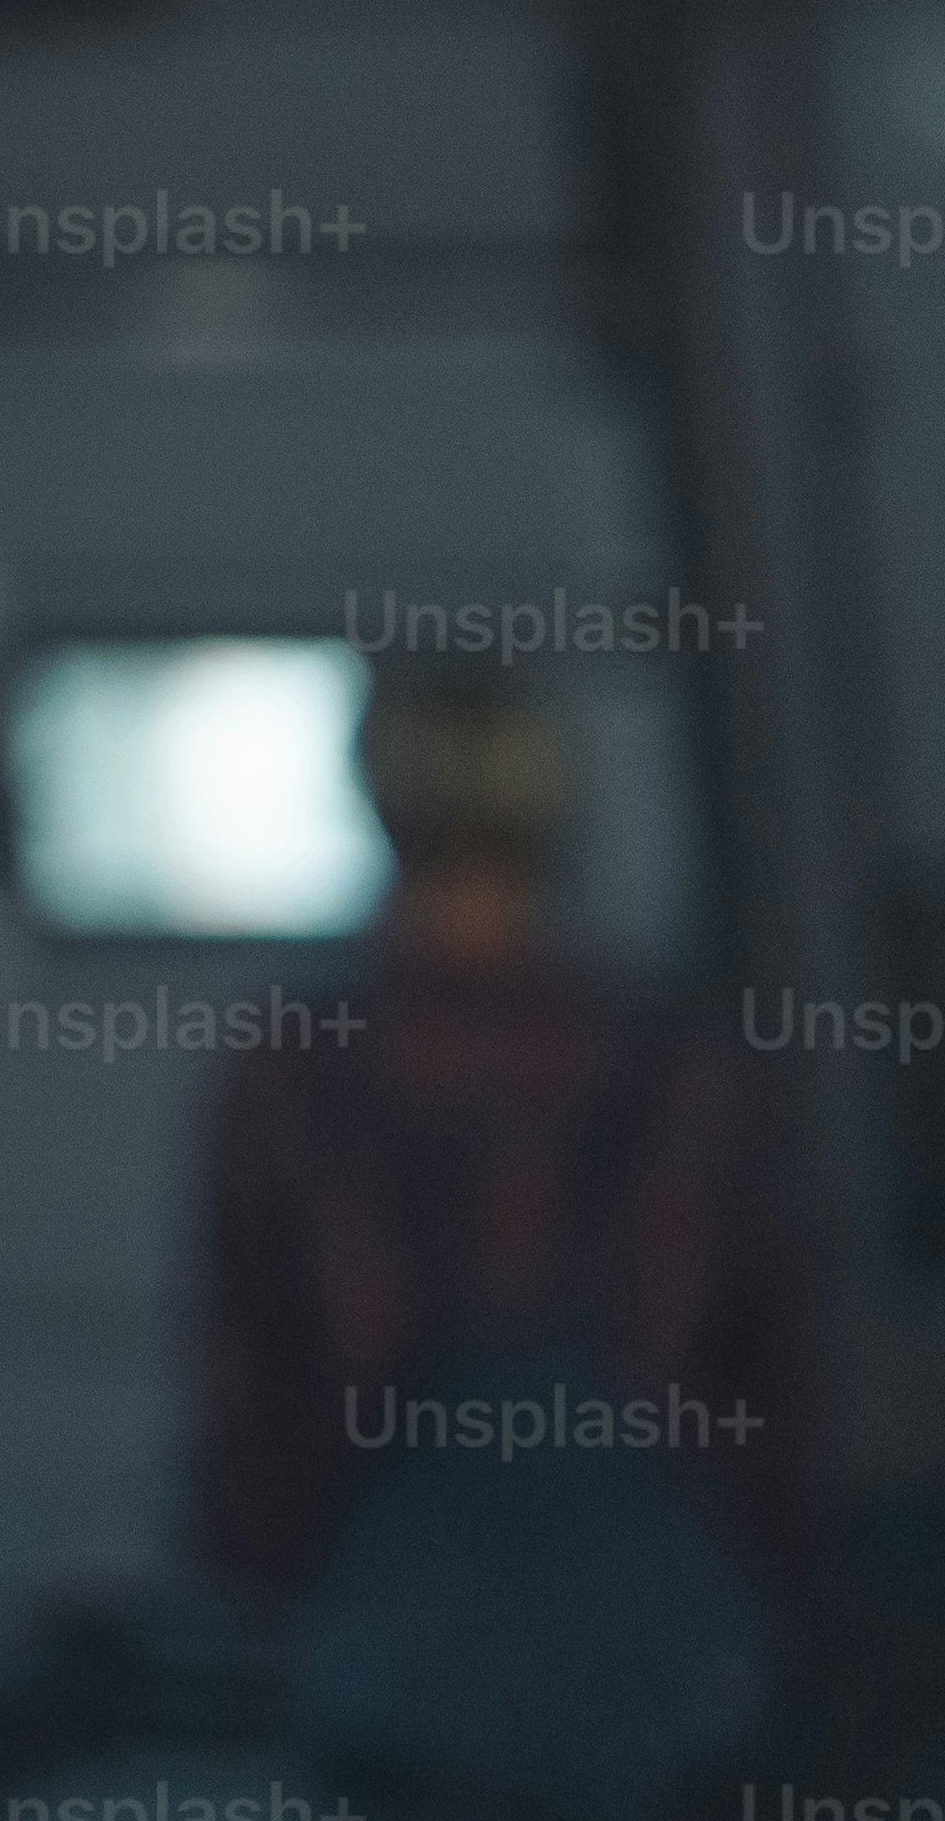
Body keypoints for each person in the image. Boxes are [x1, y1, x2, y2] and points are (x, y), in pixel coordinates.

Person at [184, 660, 813, 1810]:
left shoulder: (299, 1070)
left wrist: (256, 1586)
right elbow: (766, 1381)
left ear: (374, 804)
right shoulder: (675, 1063)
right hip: (661, 1627)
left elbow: (253, 1390)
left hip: (403, 1627)